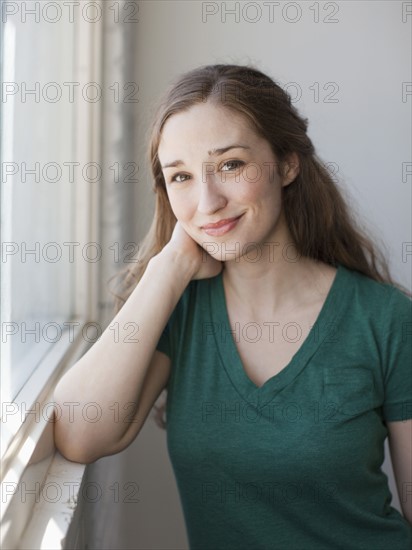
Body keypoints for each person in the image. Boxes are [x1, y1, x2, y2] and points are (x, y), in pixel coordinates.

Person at [54, 64, 412, 549]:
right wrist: (169, 267)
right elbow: (79, 434)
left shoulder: (386, 319)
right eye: (179, 176)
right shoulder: (178, 309)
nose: (208, 201)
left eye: (230, 165)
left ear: (287, 163)